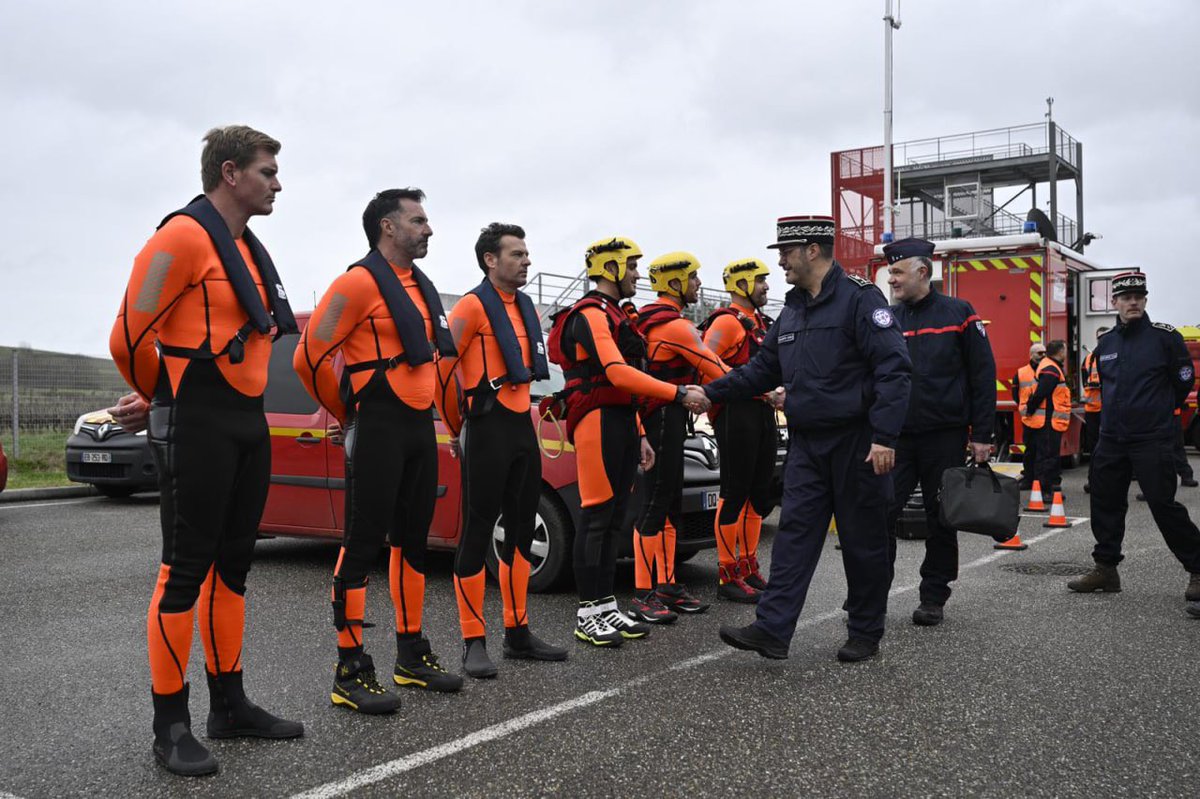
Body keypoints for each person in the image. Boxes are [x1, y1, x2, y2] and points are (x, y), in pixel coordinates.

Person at [109, 125, 304, 776]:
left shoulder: (246, 249)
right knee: (184, 571)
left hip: (249, 423)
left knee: (234, 569)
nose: (277, 181)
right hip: (197, 421)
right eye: (267, 170)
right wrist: (162, 394)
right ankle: (170, 725)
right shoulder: (183, 237)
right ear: (229, 172)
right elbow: (126, 335)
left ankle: (230, 704)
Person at [707, 214, 911, 663]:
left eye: (786, 252)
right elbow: (763, 368)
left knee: (862, 542)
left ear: (812, 250)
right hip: (807, 444)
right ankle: (773, 630)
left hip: (857, 444)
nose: (780, 262)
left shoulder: (861, 300)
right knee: (794, 537)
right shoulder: (793, 307)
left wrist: (884, 437)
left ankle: (864, 630)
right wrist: (708, 393)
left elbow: (894, 369)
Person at [294, 188, 463, 714]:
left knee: (413, 540)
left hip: (419, 426)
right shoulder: (357, 282)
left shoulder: (421, 286)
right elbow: (308, 357)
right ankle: (350, 669)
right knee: (362, 540)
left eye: (427, 220)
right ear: (387, 227)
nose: (428, 229)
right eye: (418, 220)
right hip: (378, 424)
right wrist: (346, 413)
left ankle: (410, 654)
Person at [544, 236, 708, 646]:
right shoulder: (591, 313)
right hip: (596, 420)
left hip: (618, 419)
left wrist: (638, 433)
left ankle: (604, 606)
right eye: (631, 266)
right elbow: (616, 373)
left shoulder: (616, 313)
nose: (638, 273)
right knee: (597, 518)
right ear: (612, 268)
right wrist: (676, 393)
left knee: (616, 516)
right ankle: (588, 613)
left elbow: (621, 387)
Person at [433, 223, 568, 678]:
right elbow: (441, 372)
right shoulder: (471, 306)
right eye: (517, 253)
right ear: (491, 260)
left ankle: (518, 632)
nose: (526, 260)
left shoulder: (525, 305)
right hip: (486, 426)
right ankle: (473, 641)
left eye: (527, 253)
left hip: (521, 428)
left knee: (520, 532)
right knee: (475, 533)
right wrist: (457, 427)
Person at [1067, 272, 1200, 609]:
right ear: (1114, 303)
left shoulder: (1164, 338)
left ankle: (1198, 568)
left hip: (1151, 438)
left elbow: (1182, 381)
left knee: (1162, 504)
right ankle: (1106, 570)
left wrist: (1157, 411)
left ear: (1145, 300)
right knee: (1105, 503)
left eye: (1139, 296)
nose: (1133, 302)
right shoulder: (1107, 342)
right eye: (1126, 297)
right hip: (1112, 438)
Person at [883, 237, 996, 627]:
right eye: (890, 272)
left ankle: (933, 596)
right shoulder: (887, 319)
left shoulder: (959, 313)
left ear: (923, 272)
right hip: (894, 438)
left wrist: (982, 433)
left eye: (897, 271)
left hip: (943, 436)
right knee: (880, 514)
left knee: (941, 517)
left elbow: (983, 376)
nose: (891, 279)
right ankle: (869, 597)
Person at [627, 252, 729, 623]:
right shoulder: (675, 327)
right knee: (654, 506)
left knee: (668, 506)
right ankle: (643, 593)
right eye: (693, 277)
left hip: (666, 416)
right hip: (662, 419)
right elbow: (716, 368)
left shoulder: (657, 321)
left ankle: (666, 584)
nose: (698, 283)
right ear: (674, 283)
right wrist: (765, 390)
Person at [701, 258, 779, 603]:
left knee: (757, 493)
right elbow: (702, 363)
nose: (765, 286)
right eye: (760, 280)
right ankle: (727, 573)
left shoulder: (760, 322)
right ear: (742, 283)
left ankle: (748, 567)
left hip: (761, 410)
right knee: (734, 492)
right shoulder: (726, 322)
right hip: (735, 412)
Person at [1024, 339, 1070, 496]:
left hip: (1050, 420)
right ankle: (1045, 490)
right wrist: (1030, 409)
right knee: (1048, 456)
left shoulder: (1049, 366)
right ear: (1060, 352)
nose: (1066, 353)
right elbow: (1041, 393)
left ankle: (1050, 486)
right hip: (1049, 420)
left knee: (1049, 455)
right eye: (1065, 350)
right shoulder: (1051, 368)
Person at [1014, 342, 1047, 489]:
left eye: (1044, 352)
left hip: (1045, 418)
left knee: (1043, 452)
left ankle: (1040, 480)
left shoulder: (1048, 370)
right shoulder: (1021, 373)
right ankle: (1029, 478)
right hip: (1028, 418)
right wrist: (1023, 407)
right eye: (1039, 353)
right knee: (1029, 451)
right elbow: (1015, 394)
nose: (1043, 355)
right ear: (1031, 355)